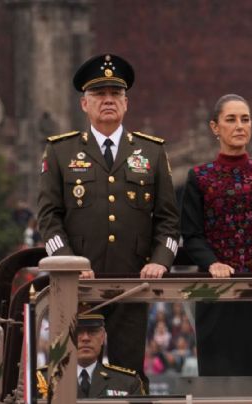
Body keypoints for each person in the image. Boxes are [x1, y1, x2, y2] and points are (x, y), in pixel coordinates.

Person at [38, 53, 180, 376]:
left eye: (115, 94)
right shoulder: (60, 152)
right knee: (69, 377)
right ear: (84, 104)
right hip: (76, 287)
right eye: (99, 95)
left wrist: (160, 260)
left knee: (128, 376)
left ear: (126, 103)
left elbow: (169, 220)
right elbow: (48, 218)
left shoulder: (152, 152)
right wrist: (68, 264)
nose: (108, 101)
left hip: (133, 284)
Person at [180, 94, 252, 375]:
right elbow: (191, 234)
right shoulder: (200, 177)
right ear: (215, 127)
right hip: (216, 293)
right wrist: (211, 263)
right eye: (231, 119)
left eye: (245, 119)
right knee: (219, 380)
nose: (240, 126)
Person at [37, 313, 144, 398]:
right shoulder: (42, 380)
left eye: (92, 332)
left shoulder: (127, 383)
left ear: (102, 337)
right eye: (78, 332)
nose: (85, 338)